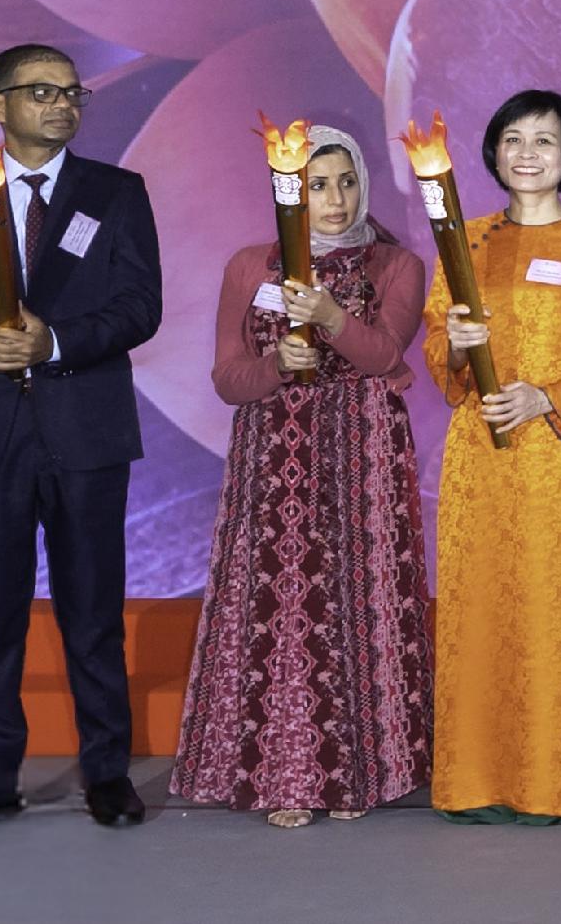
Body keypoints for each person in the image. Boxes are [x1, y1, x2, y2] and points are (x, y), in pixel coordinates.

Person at [0, 43, 162, 830]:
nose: (60, 103)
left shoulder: (115, 192)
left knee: (92, 612)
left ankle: (107, 772)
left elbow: (139, 307)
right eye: (40, 90)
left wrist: (53, 341)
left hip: (85, 430)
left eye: (71, 92)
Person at [173, 124, 431, 827]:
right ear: (291, 192)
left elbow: (382, 354)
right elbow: (228, 378)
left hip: (362, 449)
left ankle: (364, 773)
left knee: (361, 598)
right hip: (273, 454)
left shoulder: (398, 264)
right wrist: (274, 369)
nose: (337, 199)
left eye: (346, 182)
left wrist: (328, 315)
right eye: (318, 185)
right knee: (283, 600)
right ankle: (288, 773)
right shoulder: (249, 266)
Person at [422, 90, 561, 824]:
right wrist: (451, 340)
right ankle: (476, 779)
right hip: (481, 457)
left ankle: (560, 781)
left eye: (546, 140)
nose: (529, 153)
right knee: (482, 612)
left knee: (558, 612)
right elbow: (434, 349)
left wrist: (548, 396)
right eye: (514, 139)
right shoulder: (466, 241)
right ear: (493, 153)